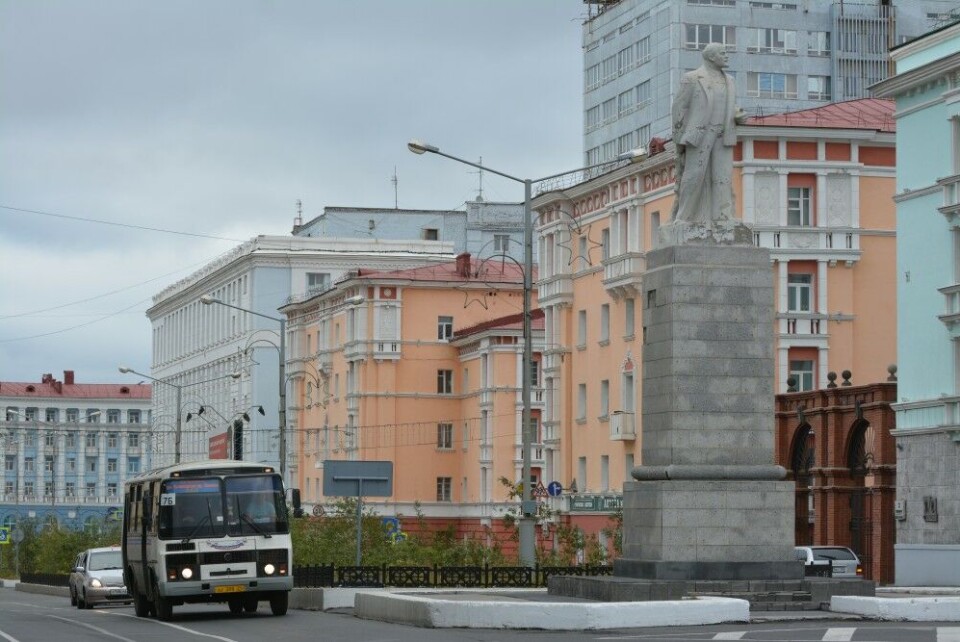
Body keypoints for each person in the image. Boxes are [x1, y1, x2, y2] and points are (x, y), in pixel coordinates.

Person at [670, 43, 747, 225]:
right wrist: (679, 141)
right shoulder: (692, 78)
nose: (727, 56)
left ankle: (723, 216)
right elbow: (679, 109)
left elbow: (725, 104)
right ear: (712, 57)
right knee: (693, 176)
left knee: (723, 177)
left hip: (723, 134)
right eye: (723, 53)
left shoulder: (730, 80)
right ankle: (684, 217)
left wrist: (736, 114)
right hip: (699, 135)